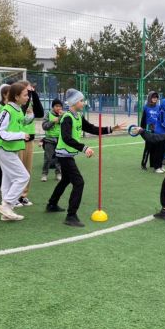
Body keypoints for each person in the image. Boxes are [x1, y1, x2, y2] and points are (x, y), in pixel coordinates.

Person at [46, 88, 125, 227]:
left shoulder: (78, 116)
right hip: (64, 155)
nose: (84, 103)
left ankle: (52, 204)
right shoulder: (67, 118)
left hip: (67, 154)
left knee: (65, 180)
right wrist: (84, 148)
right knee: (79, 182)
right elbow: (66, 138)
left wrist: (111, 129)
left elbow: (92, 128)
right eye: (81, 100)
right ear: (74, 102)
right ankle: (71, 216)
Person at [0, 82, 32, 221]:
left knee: (8, 178)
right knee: (23, 177)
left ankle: (6, 211)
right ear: (16, 97)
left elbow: (18, 124)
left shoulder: (18, 109)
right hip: (3, 149)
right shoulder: (7, 110)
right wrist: (20, 135)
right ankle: (8, 204)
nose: (28, 97)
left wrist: (29, 119)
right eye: (25, 95)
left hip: (10, 149)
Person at [16, 81, 44, 207]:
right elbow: (22, 113)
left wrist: (35, 94)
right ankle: (14, 196)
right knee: (18, 169)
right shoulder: (17, 104)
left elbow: (40, 113)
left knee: (27, 169)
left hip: (30, 138)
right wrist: (29, 95)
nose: (29, 94)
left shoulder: (30, 99)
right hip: (18, 139)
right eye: (26, 92)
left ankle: (23, 195)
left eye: (30, 91)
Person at [41, 98, 63, 182]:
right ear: (53, 107)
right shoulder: (48, 114)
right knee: (48, 158)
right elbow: (44, 126)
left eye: (60, 106)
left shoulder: (63, 115)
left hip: (60, 140)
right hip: (49, 140)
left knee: (59, 158)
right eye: (56, 106)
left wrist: (62, 117)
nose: (58, 108)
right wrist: (53, 121)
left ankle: (58, 173)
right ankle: (44, 174)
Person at [149, 98, 165, 173]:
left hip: (164, 135)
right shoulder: (162, 112)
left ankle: (160, 166)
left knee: (162, 151)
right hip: (159, 135)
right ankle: (156, 167)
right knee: (158, 152)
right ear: (164, 104)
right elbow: (163, 124)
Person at [139, 91, 160, 170]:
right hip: (148, 130)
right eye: (153, 97)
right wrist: (142, 130)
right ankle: (143, 164)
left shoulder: (158, 107)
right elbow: (143, 120)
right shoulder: (146, 107)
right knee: (148, 148)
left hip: (156, 130)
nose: (155, 98)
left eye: (156, 97)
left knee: (155, 148)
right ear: (150, 98)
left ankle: (152, 164)